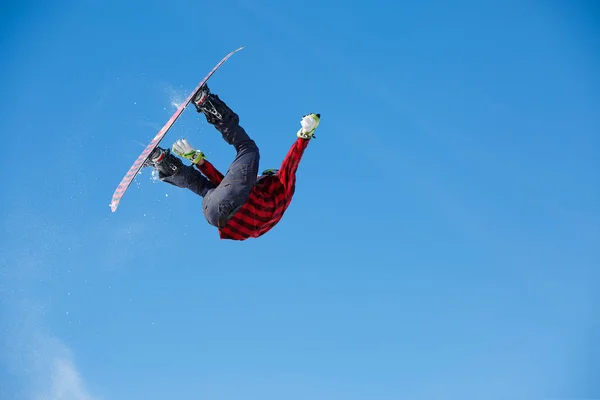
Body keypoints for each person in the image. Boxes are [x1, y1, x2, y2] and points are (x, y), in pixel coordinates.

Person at [143, 85, 321, 241]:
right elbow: (225, 188)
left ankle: (206, 103)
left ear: (269, 176)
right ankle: (163, 162)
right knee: (203, 187)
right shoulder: (264, 211)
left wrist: (304, 136)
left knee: (248, 148)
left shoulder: (282, 189)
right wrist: (199, 161)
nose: (256, 176)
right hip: (214, 215)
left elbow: (290, 166)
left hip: (231, 201)